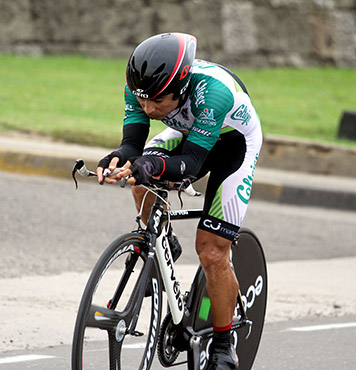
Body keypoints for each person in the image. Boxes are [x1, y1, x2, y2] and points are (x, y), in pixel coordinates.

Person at [96, 32, 262, 370]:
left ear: (181, 89)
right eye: (143, 101)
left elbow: (192, 164)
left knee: (212, 250)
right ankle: (163, 244)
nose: (149, 109)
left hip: (234, 146)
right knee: (139, 179)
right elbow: (133, 144)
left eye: (158, 102)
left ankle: (223, 342)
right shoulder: (141, 85)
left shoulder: (213, 93)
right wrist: (119, 158)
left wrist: (150, 164)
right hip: (188, 133)